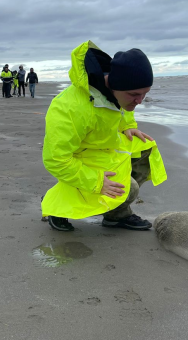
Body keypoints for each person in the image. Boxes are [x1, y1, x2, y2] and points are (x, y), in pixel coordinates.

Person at [41, 41, 167, 232]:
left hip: (104, 146)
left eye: (145, 94)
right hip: (80, 156)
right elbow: (56, 159)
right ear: (114, 86)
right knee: (129, 188)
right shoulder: (69, 108)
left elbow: (123, 109)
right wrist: (96, 181)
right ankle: (58, 208)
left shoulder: (117, 92)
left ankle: (116, 214)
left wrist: (128, 126)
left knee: (146, 147)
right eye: (134, 94)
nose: (140, 101)